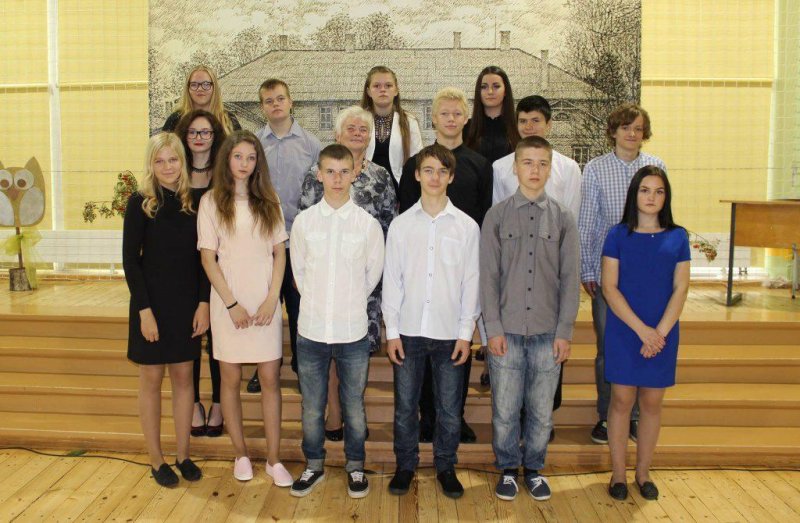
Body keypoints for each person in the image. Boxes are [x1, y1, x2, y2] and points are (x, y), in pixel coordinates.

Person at [480, 136, 579, 502]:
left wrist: (564, 332)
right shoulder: (496, 216)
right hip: (505, 331)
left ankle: (534, 469)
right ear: (515, 167)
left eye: (542, 163)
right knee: (505, 410)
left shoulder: (564, 218)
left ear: (550, 169)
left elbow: (570, 279)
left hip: (547, 333)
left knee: (540, 412)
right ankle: (507, 468)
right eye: (528, 162)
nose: (535, 170)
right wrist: (492, 329)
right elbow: (488, 277)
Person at [383, 144, 480, 499]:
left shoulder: (467, 227)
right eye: (428, 170)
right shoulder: (401, 226)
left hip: (449, 333)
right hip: (408, 332)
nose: (435, 177)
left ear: (451, 177)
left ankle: (446, 466)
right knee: (405, 408)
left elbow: (471, 282)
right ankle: (405, 465)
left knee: (449, 410)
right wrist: (392, 332)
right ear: (417, 175)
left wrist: (466, 334)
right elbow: (392, 280)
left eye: (442, 171)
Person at [289, 144, 385, 499]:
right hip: (311, 330)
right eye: (330, 171)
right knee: (312, 407)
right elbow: (299, 274)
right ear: (319, 174)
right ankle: (313, 465)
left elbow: (372, 276)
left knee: (353, 406)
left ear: (355, 174)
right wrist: (321, 306)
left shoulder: (367, 226)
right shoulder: (304, 223)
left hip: (352, 331)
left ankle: (355, 467)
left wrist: (346, 304)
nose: (337, 178)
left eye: (344, 171)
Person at [197, 130, 292, 487]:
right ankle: (240, 454)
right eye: (238, 156)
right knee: (231, 379)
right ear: (227, 159)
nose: (244, 164)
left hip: (265, 302)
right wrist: (232, 304)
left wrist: (272, 298)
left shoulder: (268, 199)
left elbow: (279, 252)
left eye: (251, 158)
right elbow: (208, 258)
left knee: (270, 378)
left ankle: (274, 459)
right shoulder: (211, 202)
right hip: (228, 304)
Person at [399, 87, 492, 444]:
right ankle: (426, 417)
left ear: (466, 119)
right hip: (422, 271)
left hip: (460, 270)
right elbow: (407, 217)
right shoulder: (415, 165)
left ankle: (456, 415)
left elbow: (484, 217)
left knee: (458, 345)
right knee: (422, 347)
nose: (451, 119)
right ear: (433, 118)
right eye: (444, 113)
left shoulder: (479, 165)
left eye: (457, 113)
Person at [298, 106, 396, 441]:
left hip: (364, 280)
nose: (357, 133)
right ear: (337, 135)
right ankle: (334, 414)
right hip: (322, 283)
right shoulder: (316, 173)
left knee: (355, 355)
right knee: (327, 348)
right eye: (350, 128)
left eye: (363, 129)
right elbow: (304, 227)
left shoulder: (381, 176)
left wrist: (364, 287)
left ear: (370, 138)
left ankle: (353, 415)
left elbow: (389, 225)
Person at [490, 95, 582, 438]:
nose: (530, 126)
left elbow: (570, 218)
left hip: (548, 283)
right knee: (507, 397)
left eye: (536, 120)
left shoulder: (568, 169)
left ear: (549, 125)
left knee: (545, 386)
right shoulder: (501, 168)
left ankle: (542, 425)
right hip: (513, 288)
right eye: (523, 121)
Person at [123, 132, 208, 487]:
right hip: (152, 306)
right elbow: (131, 261)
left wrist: (203, 303)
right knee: (152, 380)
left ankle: (183, 455)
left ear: (182, 162)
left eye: (173, 160)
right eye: (160, 161)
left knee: (185, 379)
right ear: (151, 164)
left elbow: (205, 259)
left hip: (186, 305)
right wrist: (144, 311)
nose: (168, 166)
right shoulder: (140, 202)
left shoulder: (197, 202)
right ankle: (156, 460)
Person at [578, 103, 666, 445]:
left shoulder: (656, 167)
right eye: (626, 127)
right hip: (608, 275)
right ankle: (607, 415)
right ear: (613, 131)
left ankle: (636, 416)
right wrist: (588, 268)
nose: (632, 133)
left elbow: (665, 219)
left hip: (649, 277)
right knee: (609, 348)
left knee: (645, 342)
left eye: (638, 128)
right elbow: (587, 223)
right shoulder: (596, 169)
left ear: (645, 133)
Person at [602, 166, 690, 502]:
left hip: (662, 330)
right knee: (622, 400)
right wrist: (642, 332)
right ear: (634, 194)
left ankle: (643, 473)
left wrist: (659, 334)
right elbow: (609, 288)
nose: (651, 197)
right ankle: (618, 474)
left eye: (659, 191)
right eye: (645, 190)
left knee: (652, 403)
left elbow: (681, 288)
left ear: (666, 197)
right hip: (626, 329)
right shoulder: (617, 235)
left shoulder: (678, 237)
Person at [247, 78, 322, 394]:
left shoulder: (311, 145)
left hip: (298, 241)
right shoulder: (254, 145)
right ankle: (264, 365)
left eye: (280, 98)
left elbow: (320, 194)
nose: (275, 104)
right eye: (269, 100)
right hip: (263, 242)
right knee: (266, 305)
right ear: (262, 107)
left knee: (299, 306)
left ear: (291, 102)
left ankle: (302, 366)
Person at [174, 109, 226, 438]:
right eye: (193, 132)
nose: (198, 138)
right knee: (190, 336)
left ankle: (219, 402)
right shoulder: (175, 174)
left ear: (214, 137)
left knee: (218, 338)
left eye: (205, 132)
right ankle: (193, 402)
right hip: (183, 266)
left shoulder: (224, 174)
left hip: (219, 264)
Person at [361, 65, 423, 190]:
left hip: (399, 190)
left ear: (396, 90)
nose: (383, 90)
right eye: (376, 86)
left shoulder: (409, 121)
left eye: (388, 85)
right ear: (368, 91)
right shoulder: (358, 120)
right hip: (363, 190)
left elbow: (417, 161)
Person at [463, 65, 520, 164]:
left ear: (505, 91)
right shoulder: (465, 128)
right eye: (484, 87)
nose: (490, 92)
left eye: (496, 86)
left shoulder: (519, 127)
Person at [163, 65, 241, 134]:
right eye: (194, 85)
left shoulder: (229, 120)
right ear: (188, 89)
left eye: (206, 84)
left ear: (214, 88)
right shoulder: (175, 120)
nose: (200, 89)